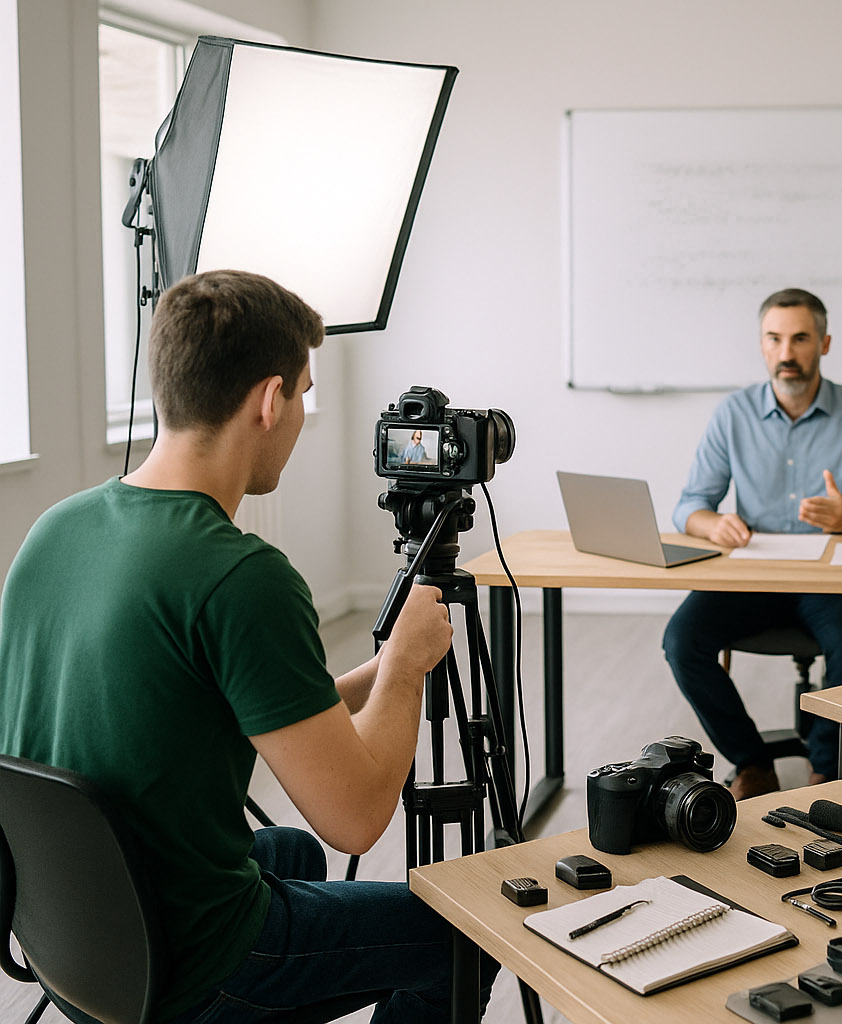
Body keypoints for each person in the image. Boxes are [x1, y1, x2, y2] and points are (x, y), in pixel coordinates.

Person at [0, 270, 497, 1023]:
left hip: (73, 939)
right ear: (270, 400)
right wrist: (404, 667)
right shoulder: (241, 575)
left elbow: (227, 708)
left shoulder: (56, 529)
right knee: (466, 937)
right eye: (302, 394)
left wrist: (373, 672)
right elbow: (358, 818)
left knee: (292, 855)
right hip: (190, 966)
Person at [662, 287, 842, 800]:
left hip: (833, 578)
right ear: (761, 345)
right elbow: (689, 505)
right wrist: (713, 525)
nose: (786, 352)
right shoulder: (733, 414)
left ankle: (827, 767)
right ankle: (752, 763)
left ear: (824, 343)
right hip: (755, 576)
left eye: (800, 338)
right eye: (774, 339)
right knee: (682, 641)